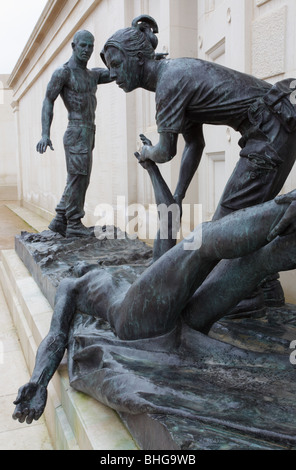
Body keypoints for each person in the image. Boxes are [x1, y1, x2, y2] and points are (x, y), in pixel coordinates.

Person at [12, 153, 296, 425]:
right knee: (200, 240)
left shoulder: (142, 279)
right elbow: (56, 335)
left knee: (255, 262)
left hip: (178, 322)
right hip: (134, 323)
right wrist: (39, 379)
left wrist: (151, 169)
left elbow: (167, 218)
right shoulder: (72, 285)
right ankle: (284, 207)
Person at [100, 15, 296, 312]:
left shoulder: (168, 83)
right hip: (271, 130)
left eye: (116, 64)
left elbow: (165, 150)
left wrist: (147, 153)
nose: (113, 75)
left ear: (138, 59)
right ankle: (263, 287)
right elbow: (195, 144)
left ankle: (259, 292)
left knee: (222, 231)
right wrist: (178, 195)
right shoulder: (174, 74)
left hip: (270, 133)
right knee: (235, 222)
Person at [36, 30, 113, 238]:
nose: (87, 50)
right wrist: (45, 133)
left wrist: (145, 59)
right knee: (79, 178)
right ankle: (74, 222)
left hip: (90, 131)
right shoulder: (64, 73)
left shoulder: (92, 75)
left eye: (91, 46)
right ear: (74, 46)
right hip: (76, 130)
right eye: (83, 46)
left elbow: (115, 72)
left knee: (79, 178)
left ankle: (60, 219)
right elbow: (48, 100)